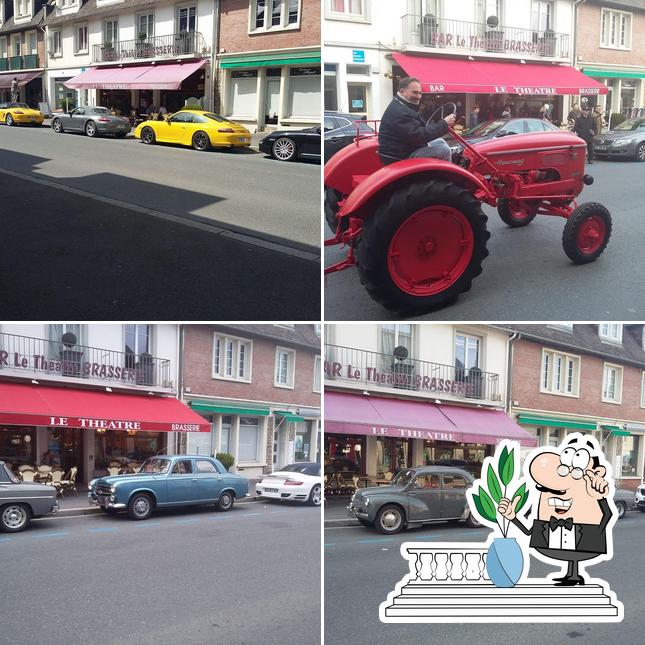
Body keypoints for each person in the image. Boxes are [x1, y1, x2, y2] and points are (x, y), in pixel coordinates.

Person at [498, 434, 614, 586]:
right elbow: (528, 532)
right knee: (570, 554)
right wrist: (512, 516)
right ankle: (571, 574)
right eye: (546, 489)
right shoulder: (546, 520)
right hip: (555, 535)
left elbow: (608, 514)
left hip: (584, 535)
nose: (558, 493)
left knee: (575, 553)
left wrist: (600, 501)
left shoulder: (591, 494)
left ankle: (573, 575)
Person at [378, 76, 456, 165]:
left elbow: (416, 132)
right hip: (401, 156)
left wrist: (440, 125)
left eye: (420, 93)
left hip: (402, 149)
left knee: (440, 141)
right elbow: (420, 136)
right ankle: (447, 177)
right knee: (444, 150)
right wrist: (444, 123)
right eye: (415, 93)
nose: (418, 96)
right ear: (402, 91)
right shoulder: (401, 112)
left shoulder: (401, 105)